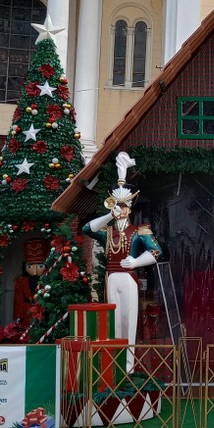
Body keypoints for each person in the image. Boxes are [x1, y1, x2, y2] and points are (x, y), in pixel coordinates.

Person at [83, 152, 162, 372]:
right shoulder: (107, 231)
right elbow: (87, 228)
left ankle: (128, 365)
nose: (121, 209)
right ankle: (115, 364)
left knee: (129, 320)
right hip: (111, 278)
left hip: (128, 278)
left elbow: (156, 251)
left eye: (124, 205)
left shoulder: (139, 230)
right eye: (117, 205)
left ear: (130, 207)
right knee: (114, 321)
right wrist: (109, 215)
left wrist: (136, 262)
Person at [13, 238, 48, 325]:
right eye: (30, 266)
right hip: (27, 312)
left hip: (43, 310)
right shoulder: (22, 281)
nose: (35, 269)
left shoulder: (47, 280)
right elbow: (18, 300)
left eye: (40, 266)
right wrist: (18, 315)